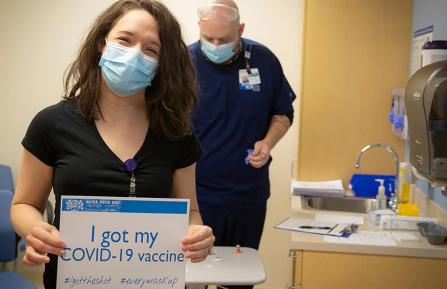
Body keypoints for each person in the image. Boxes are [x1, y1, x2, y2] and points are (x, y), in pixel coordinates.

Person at [10, 1, 214, 288]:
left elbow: (191, 212)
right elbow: (23, 204)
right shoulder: (51, 124)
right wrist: (35, 230)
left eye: (150, 49)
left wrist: (197, 234)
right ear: (102, 44)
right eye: (124, 40)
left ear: (161, 65)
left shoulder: (176, 132)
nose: (134, 55)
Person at [189, 0, 296, 280]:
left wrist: (268, 142)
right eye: (207, 38)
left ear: (241, 29)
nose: (214, 44)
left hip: (246, 197)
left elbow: (283, 112)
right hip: (195, 199)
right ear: (198, 27)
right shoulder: (182, 63)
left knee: (236, 279)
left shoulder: (263, 60)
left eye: (223, 39)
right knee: (190, 279)